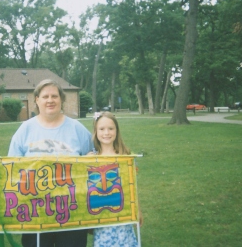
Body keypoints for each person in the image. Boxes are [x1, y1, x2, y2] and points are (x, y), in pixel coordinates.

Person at [8, 79, 93, 247]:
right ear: (37, 100)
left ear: (61, 99)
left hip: (73, 213)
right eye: (45, 96)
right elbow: (11, 169)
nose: (50, 100)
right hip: (34, 212)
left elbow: (96, 162)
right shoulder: (24, 130)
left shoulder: (78, 129)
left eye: (54, 96)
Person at [90, 111, 142, 247]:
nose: (106, 133)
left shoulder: (125, 156)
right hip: (101, 216)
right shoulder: (90, 158)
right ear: (95, 131)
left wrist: (138, 210)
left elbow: (132, 186)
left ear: (116, 131)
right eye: (102, 129)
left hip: (122, 214)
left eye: (110, 128)